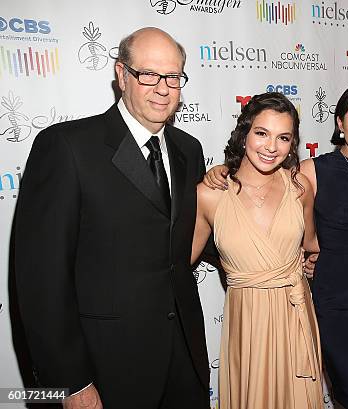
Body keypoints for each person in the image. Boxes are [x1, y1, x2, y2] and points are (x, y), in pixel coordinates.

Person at [14, 27, 209, 408]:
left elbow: (186, 239)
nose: (163, 88)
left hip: (183, 360)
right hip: (108, 367)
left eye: (173, 77)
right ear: (122, 75)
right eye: (148, 75)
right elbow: (41, 280)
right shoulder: (67, 147)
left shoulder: (189, 149)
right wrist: (71, 381)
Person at [204, 81, 348, 408]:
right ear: (340, 123)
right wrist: (224, 169)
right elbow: (263, 180)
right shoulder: (310, 171)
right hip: (336, 303)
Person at [191, 92, 323, 408]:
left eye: (283, 138)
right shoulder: (209, 194)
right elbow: (177, 263)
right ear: (244, 134)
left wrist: (319, 261)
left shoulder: (300, 188)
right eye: (261, 133)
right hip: (247, 321)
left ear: (293, 144)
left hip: (294, 316)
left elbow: (313, 245)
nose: (270, 147)